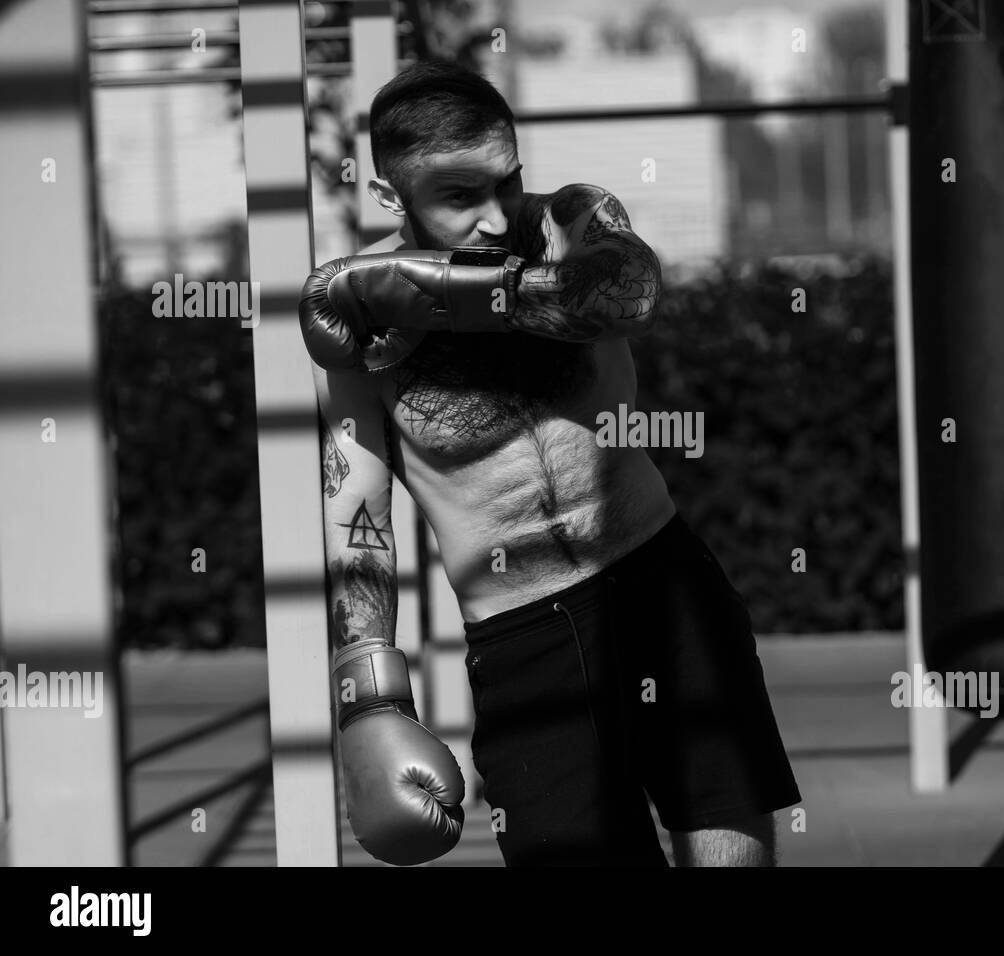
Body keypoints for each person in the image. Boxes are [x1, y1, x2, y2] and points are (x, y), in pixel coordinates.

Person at [306, 59, 800, 867]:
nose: (498, 218)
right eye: (461, 198)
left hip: (656, 574)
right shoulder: (356, 326)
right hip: (521, 633)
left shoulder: (573, 221)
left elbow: (627, 291)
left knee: (726, 821)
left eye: (507, 182)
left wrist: (437, 288)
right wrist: (369, 698)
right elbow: (356, 511)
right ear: (392, 197)